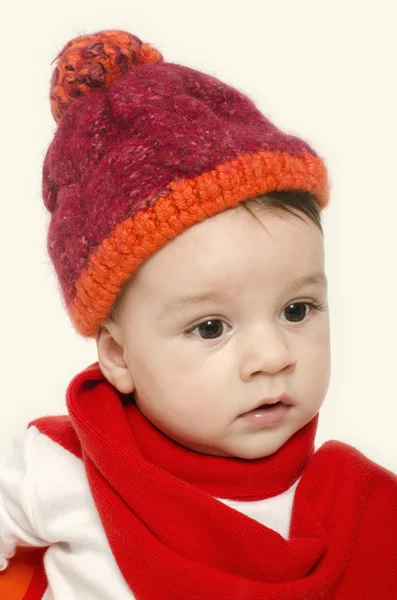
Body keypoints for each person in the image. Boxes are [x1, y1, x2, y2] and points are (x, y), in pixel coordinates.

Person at [0, 28, 396, 600]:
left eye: (297, 309)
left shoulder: (360, 508)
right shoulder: (58, 472)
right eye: (211, 326)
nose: (273, 357)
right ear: (117, 356)